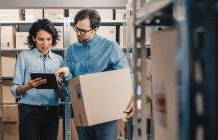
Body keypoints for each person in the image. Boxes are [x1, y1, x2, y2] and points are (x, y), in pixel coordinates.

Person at [56, 8, 133, 140]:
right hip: (82, 112)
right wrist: (66, 74)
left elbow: (126, 76)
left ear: (96, 28)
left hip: (105, 114)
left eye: (83, 31)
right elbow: (71, 84)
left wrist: (131, 97)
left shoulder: (110, 47)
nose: (79, 34)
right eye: (76, 29)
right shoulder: (72, 50)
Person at [11, 19, 65, 140]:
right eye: (41, 39)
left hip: (52, 112)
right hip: (29, 112)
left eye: (49, 39)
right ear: (34, 38)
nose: (45, 44)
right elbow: (14, 89)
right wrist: (27, 86)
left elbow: (63, 94)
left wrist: (60, 87)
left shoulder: (59, 60)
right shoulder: (23, 57)